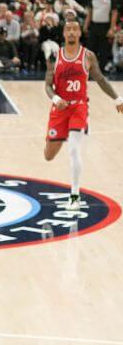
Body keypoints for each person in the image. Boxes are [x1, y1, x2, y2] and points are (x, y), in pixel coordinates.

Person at [44, 20, 123, 210]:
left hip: (79, 107)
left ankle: (74, 195)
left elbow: (100, 79)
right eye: (68, 29)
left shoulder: (88, 56)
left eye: (75, 29)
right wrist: (56, 99)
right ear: (64, 33)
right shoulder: (55, 57)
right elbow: (47, 86)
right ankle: (61, 135)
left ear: (80, 33)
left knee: (74, 149)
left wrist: (117, 98)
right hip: (60, 108)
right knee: (48, 156)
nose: (71, 32)